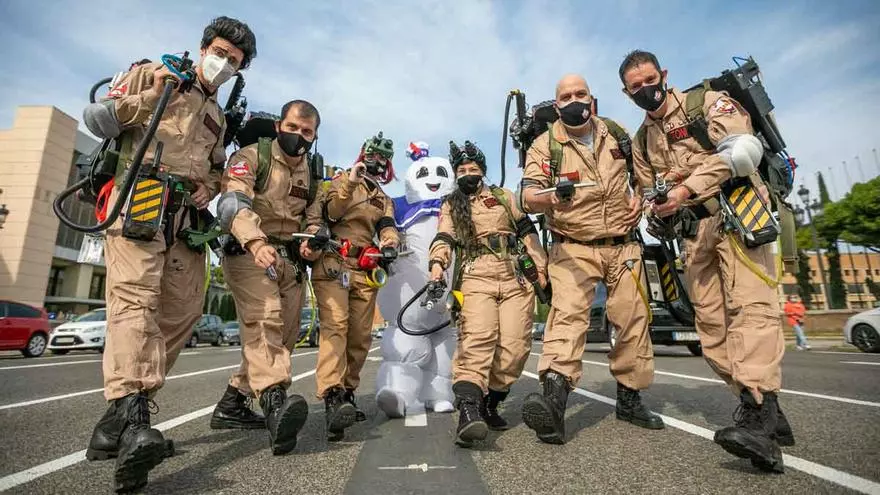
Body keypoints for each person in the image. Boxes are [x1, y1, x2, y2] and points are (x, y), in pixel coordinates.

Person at [80, 16, 257, 493]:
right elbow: (95, 118)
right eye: (220, 52)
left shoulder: (219, 117)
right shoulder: (153, 73)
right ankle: (136, 420)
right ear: (204, 48)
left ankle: (114, 425)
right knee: (135, 302)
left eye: (235, 62)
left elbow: (220, 171)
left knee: (183, 311)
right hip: (138, 201)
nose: (224, 63)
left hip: (184, 220)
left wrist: (208, 188)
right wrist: (151, 93)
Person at [620, 49, 793, 473]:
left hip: (738, 212)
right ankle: (764, 408)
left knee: (751, 310)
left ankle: (759, 419)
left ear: (663, 74)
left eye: (649, 80)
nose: (646, 90)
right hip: (694, 234)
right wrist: (655, 210)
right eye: (635, 87)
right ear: (627, 93)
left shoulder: (707, 101)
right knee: (712, 331)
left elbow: (742, 150)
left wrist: (684, 188)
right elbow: (648, 191)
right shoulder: (642, 141)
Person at [518, 74, 664, 446]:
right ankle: (553, 402)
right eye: (565, 96)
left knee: (633, 319)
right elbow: (527, 196)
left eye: (580, 93)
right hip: (572, 246)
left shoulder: (616, 134)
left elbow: (644, 177)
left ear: (592, 98)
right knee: (567, 318)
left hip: (623, 244)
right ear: (556, 105)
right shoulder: (544, 145)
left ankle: (630, 398)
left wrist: (641, 200)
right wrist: (552, 196)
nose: (573, 100)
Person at [211, 100, 323, 455]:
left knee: (283, 337)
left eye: (306, 132)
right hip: (249, 252)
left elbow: (314, 218)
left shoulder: (312, 171)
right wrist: (256, 242)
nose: (299, 137)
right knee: (265, 319)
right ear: (279, 127)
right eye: (292, 128)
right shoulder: (251, 156)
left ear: (315, 135)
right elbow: (232, 203)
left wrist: (312, 242)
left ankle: (232, 403)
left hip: (289, 261)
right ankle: (276, 404)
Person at [428, 140, 548, 447]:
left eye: (474, 168)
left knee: (515, 348)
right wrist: (437, 267)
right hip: (475, 275)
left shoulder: (504, 197)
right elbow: (444, 235)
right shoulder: (452, 204)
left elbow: (527, 232)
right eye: (462, 170)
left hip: (515, 278)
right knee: (477, 340)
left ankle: (489, 403)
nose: (468, 173)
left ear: (483, 171)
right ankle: (468, 413)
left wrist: (541, 268)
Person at [300, 132, 399, 441]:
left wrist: (391, 244)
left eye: (383, 157)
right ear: (362, 154)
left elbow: (387, 227)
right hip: (333, 261)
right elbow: (332, 212)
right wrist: (351, 181)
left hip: (364, 267)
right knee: (336, 326)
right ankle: (331, 395)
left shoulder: (382, 197)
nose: (376, 161)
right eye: (372, 154)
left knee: (360, 335)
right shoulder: (338, 181)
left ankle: (347, 393)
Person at [375, 141, 458, 418]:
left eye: (439, 173)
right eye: (424, 174)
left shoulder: (460, 208)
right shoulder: (397, 207)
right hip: (409, 297)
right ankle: (400, 394)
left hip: (450, 298)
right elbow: (387, 228)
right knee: (405, 344)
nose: (433, 180)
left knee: (446, 348)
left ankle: (439, 394)